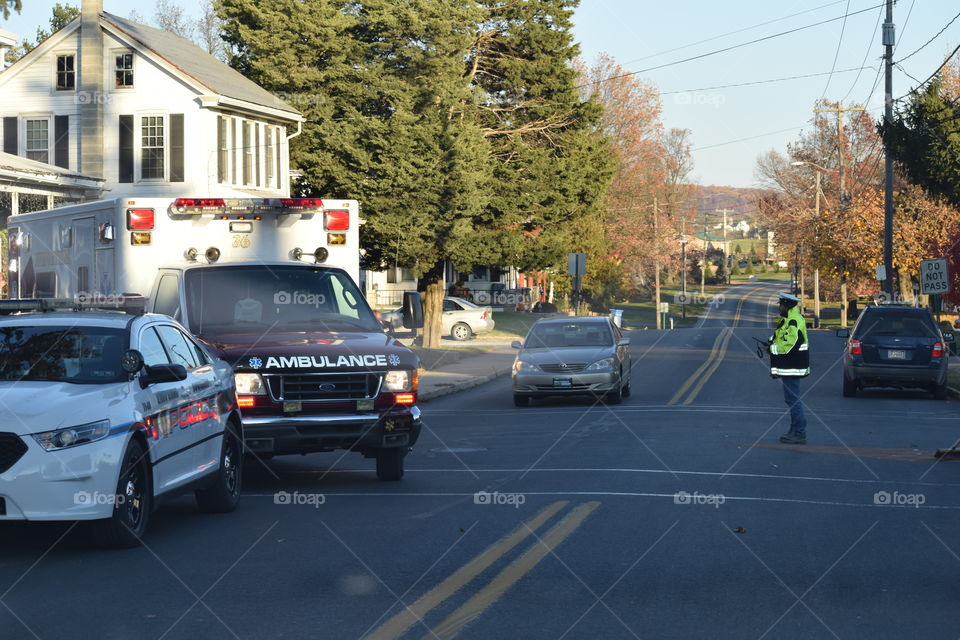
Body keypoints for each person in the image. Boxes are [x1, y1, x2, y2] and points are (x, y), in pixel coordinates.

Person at [768, 292, 810, 444]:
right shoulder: (787, 320)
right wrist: (770, 342)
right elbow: (780, 336)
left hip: (793, 365)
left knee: (793, 399)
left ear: (787, 306)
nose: (779, 307)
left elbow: (789, 344)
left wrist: (772, 349)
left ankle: (799, 432)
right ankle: (794, 430)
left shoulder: (794, 321)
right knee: (791, 399)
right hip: (790, 365)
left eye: (781, 305)